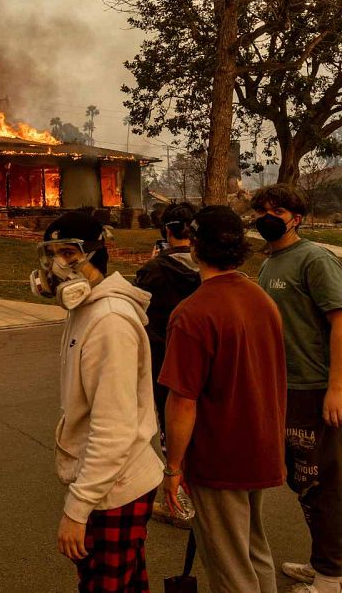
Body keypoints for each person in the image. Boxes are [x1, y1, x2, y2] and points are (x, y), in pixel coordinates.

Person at [31, 212, 164, 592]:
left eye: (70, 253)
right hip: (110, 482)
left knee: (103, 585)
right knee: (128, 583)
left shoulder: (108, 321)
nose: (58, 265)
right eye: (52, 253)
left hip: (115, 488)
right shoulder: (85, 310)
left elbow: (113, 428)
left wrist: (78, 507)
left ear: (96, 255)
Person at [159, 206, 286, 593]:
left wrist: (173, 468)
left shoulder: (193, 314)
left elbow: (182, 401)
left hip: (220, 455)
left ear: (195, 247)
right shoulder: (261, 299)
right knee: (253, 550)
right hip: (261, 445)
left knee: (230, 567)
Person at [252, 183, 342, 593]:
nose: (265, 217)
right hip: (284, 389)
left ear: (296, 218)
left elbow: (340, 323)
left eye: (275, 210)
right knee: (305, 483)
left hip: (315, 388)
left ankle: (329, 578)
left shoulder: (314, 259)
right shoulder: (270, 263)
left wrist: (336, 389)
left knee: (322, 483)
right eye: (260, 210)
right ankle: (324, 563)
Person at [133, 202, 200, 524]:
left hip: (165, 362)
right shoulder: (208, 267)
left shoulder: (154, 271)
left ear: (167, 231)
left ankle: (181, 505)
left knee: (172, 435)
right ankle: (207, 500)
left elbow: (139, 314)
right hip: (205, 362)